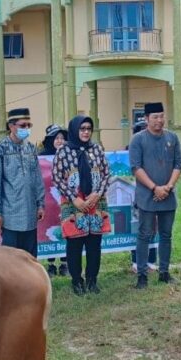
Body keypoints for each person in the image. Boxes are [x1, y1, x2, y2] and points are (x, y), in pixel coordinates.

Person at [52, 115, 111, 295]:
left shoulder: (97, 149)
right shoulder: (63, 152)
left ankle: (92, 280)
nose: (86, 132)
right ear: (75, 130)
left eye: (88, 129)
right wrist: (74, 198)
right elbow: (57, 178)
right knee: (74, 245)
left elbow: (106, 174)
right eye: (82, 128)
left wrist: (96, 194)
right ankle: (77, 280)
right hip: (73, 204)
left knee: (95, 244)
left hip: (95, 203)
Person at [128, 102, 181, 289]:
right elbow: (136, 167)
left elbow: (178, 165)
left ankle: (164, 272)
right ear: (146, 119)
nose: (159, 120)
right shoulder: (138, 140)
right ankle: (142, 275)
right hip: (146, 197)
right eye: (155, 117)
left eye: (161, 116)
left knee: (166, 235)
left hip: (168, 195)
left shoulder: (172, 138)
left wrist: (167, 187)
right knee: (144, 235)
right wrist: (154, 188)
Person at [0, 108, 46, 261]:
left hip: (30, 212)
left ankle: (31, 285)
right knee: (10, 260)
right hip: (10, 213)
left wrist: (40, 204)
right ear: (11, 126)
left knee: (30, 257)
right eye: (23, 125)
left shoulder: (31, 148)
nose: (26, 129)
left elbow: (37, 178)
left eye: (29, 125)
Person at [39, 123, 70, 277]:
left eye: (62, 138)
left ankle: (65, 263)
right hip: (48, 200)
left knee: (65, 230)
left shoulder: (70, 155)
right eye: (56, 138)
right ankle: (50, 264)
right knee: (50, 229)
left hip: (66, 200)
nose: (59, 141)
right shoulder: (41, 157)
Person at [128, 120, 157, 273]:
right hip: (138, 198)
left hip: (154, 195)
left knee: (153, 228)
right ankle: (136, 262)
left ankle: (151, 261)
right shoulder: (130, 151)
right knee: (138, 229)